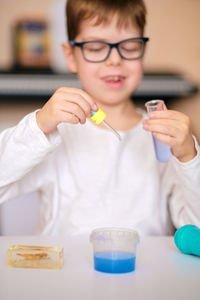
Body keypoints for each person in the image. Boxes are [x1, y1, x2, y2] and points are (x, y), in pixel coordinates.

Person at [0, 0, 199, 236]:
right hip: (66, 270)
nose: (114, 60)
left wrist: (189, 157)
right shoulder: (55, 132)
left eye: (130, 46)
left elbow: (194, 225)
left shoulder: (162, 140)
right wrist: (38, 126)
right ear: (71, 56)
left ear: (143, 50)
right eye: (95, 48)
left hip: (145, 271)